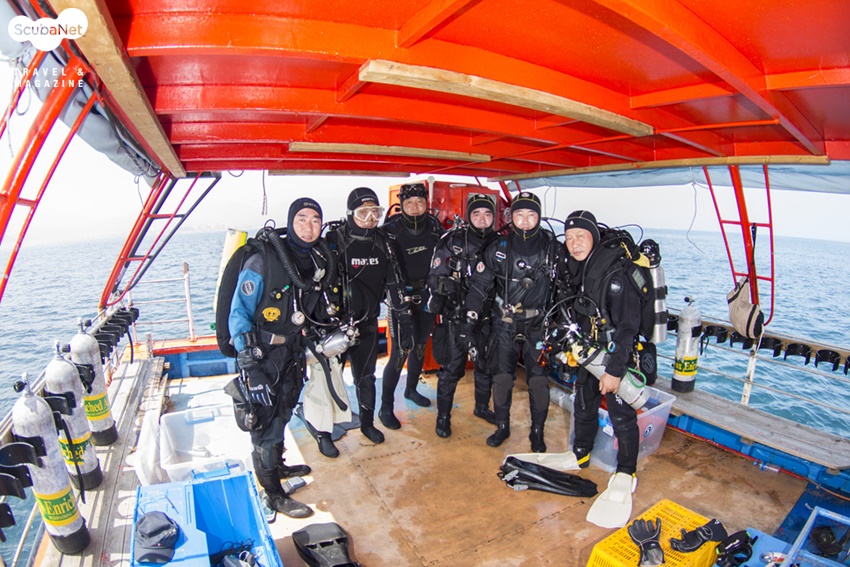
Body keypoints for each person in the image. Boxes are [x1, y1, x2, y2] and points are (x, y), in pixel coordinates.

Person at [228, 197, 337, 519]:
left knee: (284, 410)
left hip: (292, 351)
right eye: (301, 219)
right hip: (262, 355)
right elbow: (238, 313)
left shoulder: (314, 259)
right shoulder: (263, 259)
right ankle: (273, 494)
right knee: (263, 424)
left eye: (315, 220)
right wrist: (251, 368)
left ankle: (278, 465)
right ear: (290, 223)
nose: (308, 226)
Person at [560, 210, 643, 528]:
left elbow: (629, 327)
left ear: (594, 237)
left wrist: (615, 371)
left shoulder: (616, 274)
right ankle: (580, 452)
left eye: (580, 236)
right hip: (588, 351)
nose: (574, 243)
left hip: (615, 355)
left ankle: (627, 471)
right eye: (569, 238)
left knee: (622, 416)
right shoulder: (578, 269)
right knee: (584, 403)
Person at [462, 191, 559, 451]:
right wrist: (469, 324)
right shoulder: (498, 248)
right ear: (511, 217)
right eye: (519, 215)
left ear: (539, 217)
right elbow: (479, 288)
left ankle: (537, 432)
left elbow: (566, 286)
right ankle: (502, 426)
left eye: (531, 215)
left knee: (538, 380)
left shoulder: (552, 249)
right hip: (504, 323)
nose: (525, 221)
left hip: (538, 325)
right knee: (502, 378)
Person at [327, 187, 407, 446]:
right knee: (329, 377)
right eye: (363, 213)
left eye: (375, 212)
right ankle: (324, 430)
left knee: (366, 376)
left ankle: (367, 423)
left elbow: (394, 281)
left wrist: (403, 316)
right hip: (335, 326)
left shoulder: (384, 242)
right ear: (350, 213)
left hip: (368, 322)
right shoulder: (335, 241)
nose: (370, 219)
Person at [428, 194, 498, 438]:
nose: (482, 219)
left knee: (485, 365)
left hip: (488, 318)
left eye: (487, 214)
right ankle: (443, 417)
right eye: (476, 214)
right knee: (451, 369)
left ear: (494, 217)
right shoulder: (452, 241)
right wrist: (446, 285)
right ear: (469, 216)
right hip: (456, 318)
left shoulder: (501, 242)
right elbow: (433, 278)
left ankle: (481, 407)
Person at [379, 182, 444, 429]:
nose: (415, 207)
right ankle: (386, 407)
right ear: (401, 204)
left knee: (419, 346)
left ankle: (411, 390)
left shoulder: (435, 228)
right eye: (409, 203)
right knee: (399, 352)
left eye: (420, 202)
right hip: (400, 298)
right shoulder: (390, 230)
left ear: (427, 203)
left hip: (426, 295)